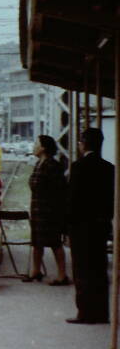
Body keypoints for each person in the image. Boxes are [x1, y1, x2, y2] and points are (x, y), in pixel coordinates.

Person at [66, 127, 114, 324]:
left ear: (83, 143)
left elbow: (73, 199)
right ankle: (102, 312)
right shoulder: (109, 168)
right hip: (100, 226)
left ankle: (85, 312)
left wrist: (67, 226)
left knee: (82, 269)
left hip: (81, 227)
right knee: (99, 269)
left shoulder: (78, 167)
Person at [26, 135, 69, 283]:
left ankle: (62, 275)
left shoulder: (52, 165)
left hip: (49, 211)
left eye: (36, 144)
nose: (34, 146)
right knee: (37, 242)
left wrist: (57, 211)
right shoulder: (39, 163)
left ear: (43, 148)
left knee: (54, 242)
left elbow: (60, 190)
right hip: (38, 209)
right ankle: (36, 271)